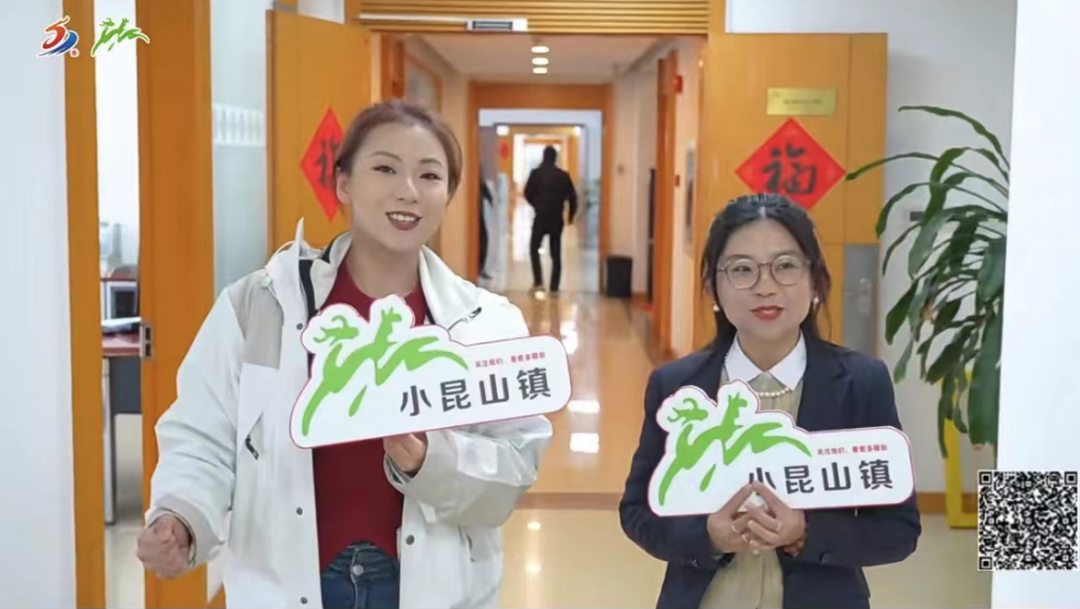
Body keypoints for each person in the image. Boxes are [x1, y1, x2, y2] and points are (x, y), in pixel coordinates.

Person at [135, 100, 553, 609]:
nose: (408, 191)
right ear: (344, 183)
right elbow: (203, 435)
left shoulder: (485, 322)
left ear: (447, 195)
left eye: (429, 175)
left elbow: (514, 468)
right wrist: (181, 515)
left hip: (428, 586)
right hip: (289, 583)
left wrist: (430, 461)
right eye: (385, 169)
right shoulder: (261, 305)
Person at [619, 193, 921, 609]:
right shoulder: (677, 387)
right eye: (742, 269)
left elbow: (899, 530)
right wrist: (706, 536)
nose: (765, 286)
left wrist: (805, 534)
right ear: (714, 287)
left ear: (815, 281)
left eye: (786, 266)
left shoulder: (861, 383)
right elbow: (638, 512)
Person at [523, 145, 577, 295]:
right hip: (556, 218)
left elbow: (527, 193)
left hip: (540, 217)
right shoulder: (563, 176)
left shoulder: (535, 173)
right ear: (555, 158)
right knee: (556, 253)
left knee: (533, 248)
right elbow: (573, 197)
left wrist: (536, 204)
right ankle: (554, 287)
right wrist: (571, 216)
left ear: (544, 156)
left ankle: (538, 282)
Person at [479, 176, 494, 280]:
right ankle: (479, 268)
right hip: (475, 215)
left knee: (484, 240)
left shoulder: (478, 176)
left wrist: (490, 199)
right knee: (483, 239)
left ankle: (480, 268)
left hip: (479, 213)